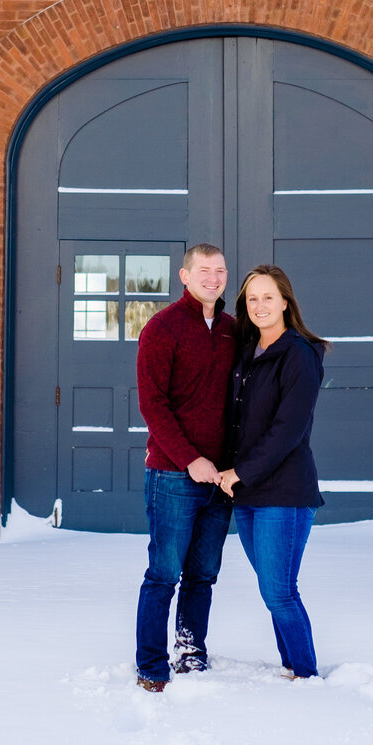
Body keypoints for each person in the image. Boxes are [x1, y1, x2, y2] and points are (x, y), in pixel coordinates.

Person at [133, 242, 236, 692]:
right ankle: (151, 664)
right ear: (184, 276)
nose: (213, 278)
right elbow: (153, 405)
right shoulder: (162, 329)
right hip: (174, 476)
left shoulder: (235, 330)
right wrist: (189, 459)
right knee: (163, 575)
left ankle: (191, 651)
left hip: (220, 480)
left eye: (220, 270)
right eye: (204, 271)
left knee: (203, 575)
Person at [217, 264, 327, 681]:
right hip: (247, 495)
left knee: (280, 591)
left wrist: (239, 472)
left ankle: (305, 674)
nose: (260, 305)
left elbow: (287, 430)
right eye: (252, 298)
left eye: (268, 297)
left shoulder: (298, 354)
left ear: (285, 302)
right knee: (273, 590)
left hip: (285, 492)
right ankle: (291, 667)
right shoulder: (247, 354)